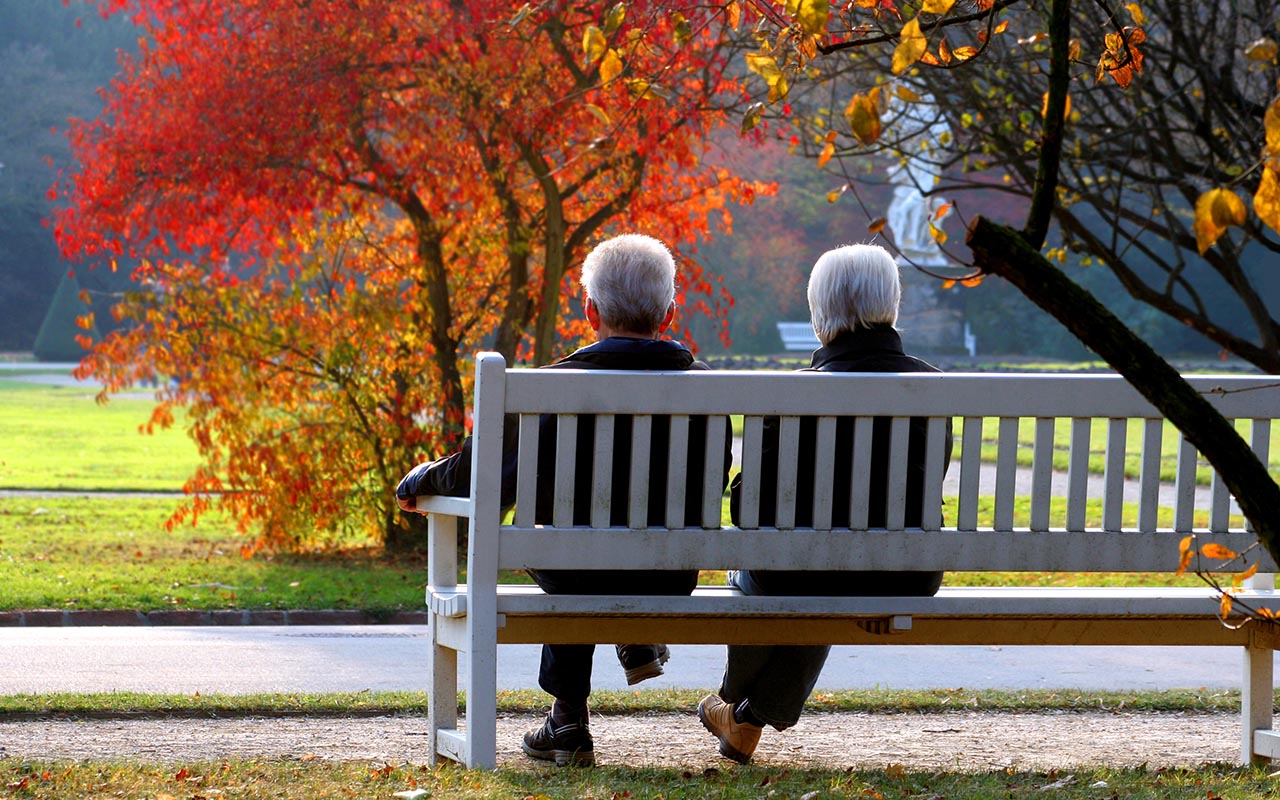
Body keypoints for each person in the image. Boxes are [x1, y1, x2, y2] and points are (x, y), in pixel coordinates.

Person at [397, 233, 731, 767]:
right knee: (593, 541)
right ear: (670, 314)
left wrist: (419, 478)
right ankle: (636, 636)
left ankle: (569, 719)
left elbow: (477, 478)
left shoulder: (546, 390)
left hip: (572, 571)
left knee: (567, 539)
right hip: (667, 574)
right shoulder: (709, 390)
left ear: (589, 310)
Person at [697, 243, 953, 764]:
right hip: (903, 578)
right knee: (828, 570)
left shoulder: (792, 398)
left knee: (787, 572)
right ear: (891, 305)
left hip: (800, 575)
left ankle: (732, 699)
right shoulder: (933, 389)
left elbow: (749, 512)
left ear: (820, 313)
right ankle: (745, 720)